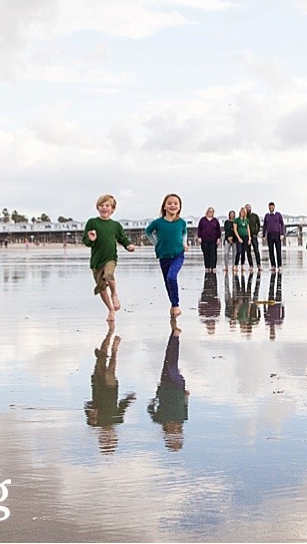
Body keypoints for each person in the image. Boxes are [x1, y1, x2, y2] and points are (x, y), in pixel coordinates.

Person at [83, 194, 136, 322]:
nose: (104, 208)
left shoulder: (115, 225)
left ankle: (114, 294)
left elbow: (122, 238)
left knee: (109, 274)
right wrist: (91, 239)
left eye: (107, 205)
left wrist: (128, 245)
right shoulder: (92, 222)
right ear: (98, 208)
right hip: (96, 261)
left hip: (110, 258)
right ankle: (111, 310)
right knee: (101, 288)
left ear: (112, 209)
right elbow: (86, 241)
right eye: (101, 205)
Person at [84, 323, 136, 455]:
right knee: (109, 373)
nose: (108, 436)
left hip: (97, 389)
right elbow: (122, 406)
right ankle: (114, 351)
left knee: (100, 360)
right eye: (110, 439)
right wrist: (129, 399)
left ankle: (108, 336)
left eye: (105, 439)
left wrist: (92, 413)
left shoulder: (94, 423)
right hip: (111, 390)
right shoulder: (118, 420)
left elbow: (87, 405)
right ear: (114, 436)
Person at [148, 319, 189, 452]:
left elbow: (150, 408)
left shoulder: (160, 419)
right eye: (178, 435)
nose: (176, 432)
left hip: (166, 386)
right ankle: (175, 337)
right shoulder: (182, 419)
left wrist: (157, 395)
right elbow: (185, 405)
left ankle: (173, 336)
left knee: (168, 360)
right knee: (171, 362)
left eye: (174, 436)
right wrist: (186, 395)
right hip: (177, 386)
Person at [145, 193, 189, 318]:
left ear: (179, 207)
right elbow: (147, 231)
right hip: (163, 255)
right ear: (164, 206)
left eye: (176, 203)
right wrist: (156, 243)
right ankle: (173, 304)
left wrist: (184, 243)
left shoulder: (181, 222)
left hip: (178, 254)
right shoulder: (158, 222)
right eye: (169, 203)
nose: (172, 205)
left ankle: (176, 305)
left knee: (171, 277)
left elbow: (184, 233)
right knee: (167, 281)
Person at [262, 201, 286, 271]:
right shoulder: (267, 215)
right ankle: (273, 265)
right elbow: (264, 226)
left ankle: (279, 265)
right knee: (271, 250)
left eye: (272, 206)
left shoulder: (278, 215)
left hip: (277, 234)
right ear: (268, 207)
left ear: (274, 207)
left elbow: (282, 224)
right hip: (269, 234)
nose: (271, 207)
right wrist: (264, 235)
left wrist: (282, 234)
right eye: (270, 206)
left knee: (278, 250)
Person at [196, 207, 221, 272]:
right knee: (206, 253)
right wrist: (199, 237)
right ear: (207, 212)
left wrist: (218, 238)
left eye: (212, 211)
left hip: (213, 239)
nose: (210, 212)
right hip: (204, 239)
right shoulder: (202, 220)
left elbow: (218, 230)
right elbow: (199, 229)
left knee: (213, 253)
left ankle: (213, 266)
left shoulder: (215, 220)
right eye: (209, 211)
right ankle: (207, 266)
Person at [232, 206, 252, 272]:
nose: (242, 213)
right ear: (240, 212)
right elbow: (235, 229)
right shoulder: (236, 220)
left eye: (244, 212)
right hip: (239, 237)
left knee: (244, 251)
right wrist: (238, 238)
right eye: (241, 212)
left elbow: (248, 229)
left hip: (246, 236)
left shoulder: (246, 220)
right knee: (239, 251)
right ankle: (236, 265)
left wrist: (249, 238)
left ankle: (242, 265)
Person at [245, 203, 262, 271]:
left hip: (254, 236)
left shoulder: (255, 216)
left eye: (248, 208)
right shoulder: (244, 217)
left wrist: (256, 232)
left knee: (256, 251)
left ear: (250, 208)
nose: (247, 209)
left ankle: (259, 265)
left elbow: (258, 224)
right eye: (246, 208)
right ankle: (251, 265)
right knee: (248, 251)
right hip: (246, 236)